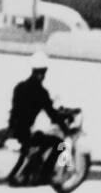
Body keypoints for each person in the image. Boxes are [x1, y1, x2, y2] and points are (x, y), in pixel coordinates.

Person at [9, 51, 69, 182]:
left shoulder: (19, 87)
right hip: (25, 135)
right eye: (44, 73)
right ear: (41, 73)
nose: (44, 76)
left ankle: (34, 165)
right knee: (60, 144)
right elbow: (52, 114)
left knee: (40, 136)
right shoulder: (41, 92)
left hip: (14, 130)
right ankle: (44, 175)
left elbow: (17, 110)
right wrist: (65, 128)